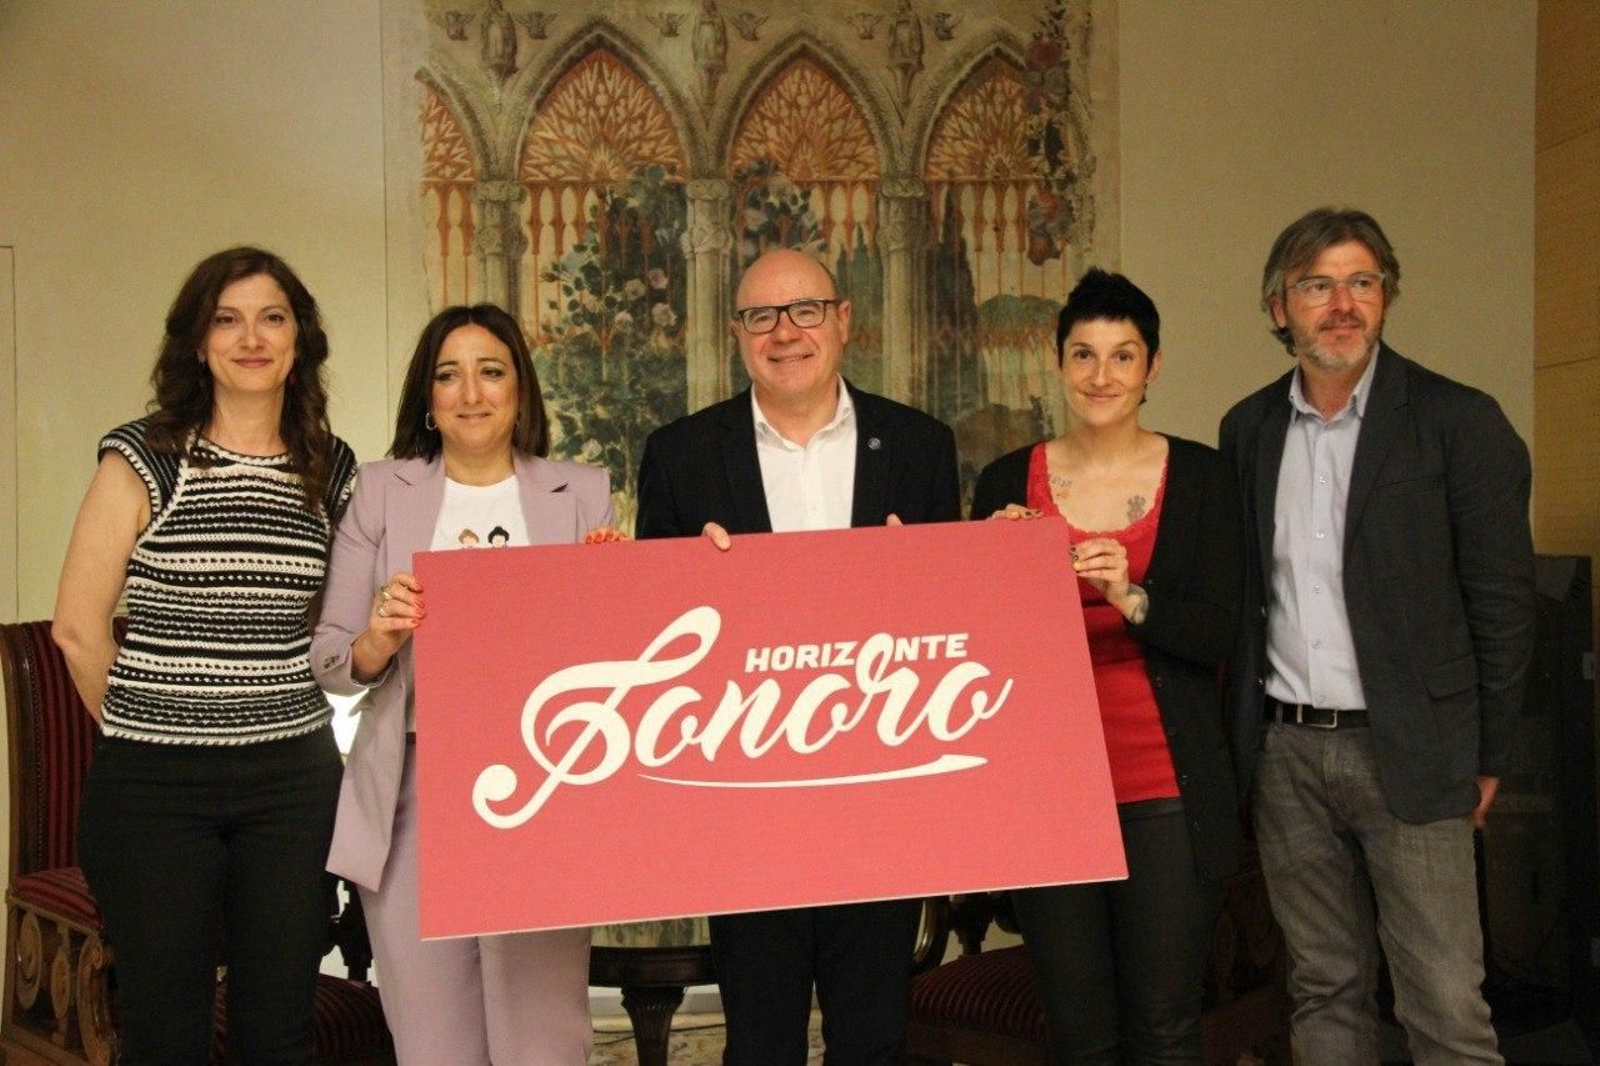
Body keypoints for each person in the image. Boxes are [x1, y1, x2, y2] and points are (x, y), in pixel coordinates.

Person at [1219, 207, 1535, 1064]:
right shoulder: (1248, 430)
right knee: (1323, 991)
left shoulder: (1459, 421)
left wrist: (1489, 756)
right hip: (1286, 755)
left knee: (1444, 1002)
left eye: (1362, 282)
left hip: (1416, 750)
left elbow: (1504, 605)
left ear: (1386, 296)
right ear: (1279, 307)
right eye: (1317, 286)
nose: (1343, 304)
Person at [635, 247, 960, 1065]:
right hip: (746, 803)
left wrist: (918, 587)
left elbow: (956, 630)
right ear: (736, 333)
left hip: (880, 792)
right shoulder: (680, 456)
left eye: (806, 310)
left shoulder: (919, 447)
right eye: (761, 316)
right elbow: (651, 642)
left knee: (873, 1039)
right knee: (761, 1042)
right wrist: (689, 590)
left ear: (843, 321)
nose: (785, 333)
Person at [52, 247, 357, 1063]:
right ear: (197, 342)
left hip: (293, 783)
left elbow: (345, 625)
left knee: (278, 1032)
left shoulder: (330, 468)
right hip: (155, 789)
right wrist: (151, 730)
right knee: (166, 1036)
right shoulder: (144, 455)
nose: (251, 338)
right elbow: (77, 627)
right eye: (227, 319)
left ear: (300, 338)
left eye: (272, 318)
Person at [312, 304, 616, 1064]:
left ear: (520, 389)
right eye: (449, 375)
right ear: (427, 395)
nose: (471, 393)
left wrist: (616, 593)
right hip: (413, 788)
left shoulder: (582, 493)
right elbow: (331, 659)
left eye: (490, 372)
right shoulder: (379, 491)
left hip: (546, 788)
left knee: (542, 1042)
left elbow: (613, 658)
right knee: (432, 1043)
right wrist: (381, 636)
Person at [972, 268, 1243, 1063]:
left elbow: (1221, 631)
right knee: (1078, 1034)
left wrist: (1132, 597)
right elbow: (980, 653)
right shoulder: (1004, 481)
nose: (1101, 375)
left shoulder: (1203, 478)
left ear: (1152, 367)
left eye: (1123, 356)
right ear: (1058, 362)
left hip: (1165, 787)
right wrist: (996, 570)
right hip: (1048, 791)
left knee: (1164, 1025)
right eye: (1084, 355)